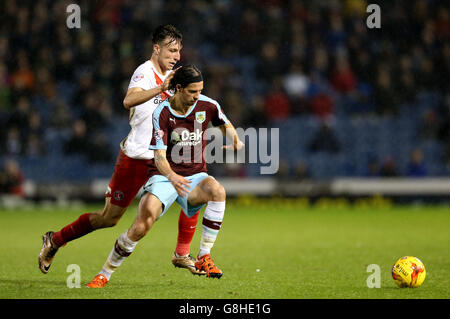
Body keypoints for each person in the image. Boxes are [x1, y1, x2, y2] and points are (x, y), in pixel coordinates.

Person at [39, 25, 204, 276]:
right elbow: (128, 100)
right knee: (108, 218)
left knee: (195, 192)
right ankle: (55, 240)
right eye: (171, 50)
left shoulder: (175, 79)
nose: (177, 56)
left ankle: (182, 253)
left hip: (161, 159)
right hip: (136, 158)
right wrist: (162, 89)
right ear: (156, 48)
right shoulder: (145, 73)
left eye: (179, 51)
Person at [86, 65, 244, 287]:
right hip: (164, 176)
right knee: (141, 225)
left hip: (196, 176)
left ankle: (204, 256)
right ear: (178, 88)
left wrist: (235, 142)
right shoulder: (162, 112)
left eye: (200, 90)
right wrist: (172, 177)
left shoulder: (208, 105)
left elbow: (224, 123)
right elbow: (159, 157)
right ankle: (105, 273)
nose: (197, 96)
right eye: (192, 92)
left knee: (218, 191)